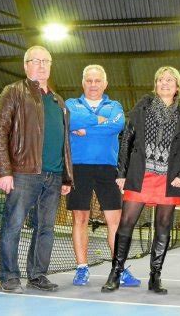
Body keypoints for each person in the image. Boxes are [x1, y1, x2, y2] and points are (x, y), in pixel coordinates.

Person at [101, 66, 180, 294]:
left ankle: (155, 276)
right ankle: (116, 272)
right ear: (155, 85)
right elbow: (126, 141)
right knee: (126, 223)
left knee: (163, 226)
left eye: (170, 80)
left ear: (177, 87)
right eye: (161, 79)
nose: (165, 83)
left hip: (169, 179)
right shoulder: (141, 109)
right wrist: (121, 173)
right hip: (140, 175)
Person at [0, 45, 73, 294]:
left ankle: (37, 275)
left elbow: (64, 143)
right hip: (23, 173)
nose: (41, 65)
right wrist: (4, 171)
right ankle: (9, 276)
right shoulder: (14, 91)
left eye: (46, 61)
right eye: (36, 61)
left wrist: (66, 176)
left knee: (46, 228)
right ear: (26, 65)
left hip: (54, 176)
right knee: (13, 225)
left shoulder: (59, 101)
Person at [65, 65, 139, 287]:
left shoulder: (114, 106)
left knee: (114, 222)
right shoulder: (71, 104)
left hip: (108, 169)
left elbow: (116, 125)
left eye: (97, 81)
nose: (93, 85)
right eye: (89, 81)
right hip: (78, 167)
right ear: (83, 83)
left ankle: (119, 269)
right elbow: (71, 122)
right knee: (80, 219)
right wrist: (98, 121)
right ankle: (81, 268)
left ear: (105, 83)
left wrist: (87, 128)